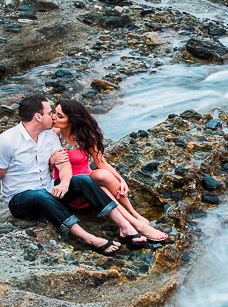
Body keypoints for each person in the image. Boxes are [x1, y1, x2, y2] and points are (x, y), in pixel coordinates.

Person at [0, 94, 148, 254]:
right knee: (38, 195)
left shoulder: (49, 135)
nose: (53, 117)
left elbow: (65, 165)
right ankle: (89, 238)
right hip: (20, 199)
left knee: (84, 179)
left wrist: (63, 183)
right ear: (38, 117)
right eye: (49, 113)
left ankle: (125, 227)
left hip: (47, 188)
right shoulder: (5, 142)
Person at [48, 98, 167, 242]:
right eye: (55, 113)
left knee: (103, 175)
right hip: (69, 187)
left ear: (73, 120)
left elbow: (101, 162)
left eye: (59, 115)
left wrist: (120, 179)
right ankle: (136, 225)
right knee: (101, 188)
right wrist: (52, 161)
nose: (53, 117)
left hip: (88, 182)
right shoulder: (53, 134)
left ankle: (134, 214)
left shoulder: (86, 137)